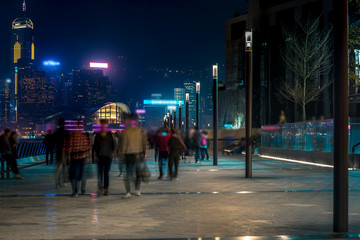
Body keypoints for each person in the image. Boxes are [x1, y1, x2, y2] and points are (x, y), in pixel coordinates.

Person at [121, 114, 147, 199]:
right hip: (129, 154)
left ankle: (136, 189)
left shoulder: (141, 131)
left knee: (138, 173)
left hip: (138, 154)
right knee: (128, 174)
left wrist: (144, 154)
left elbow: (144, 144)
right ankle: (128, 191)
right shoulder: (126, 131)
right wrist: (123, 153)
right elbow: (124, 144)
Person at [65, 121, 91, 197]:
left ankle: (75, 190)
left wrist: (69, 157)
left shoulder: (72, 136)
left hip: (77, 157)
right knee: (77, 174)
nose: (74, 128)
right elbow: (87, 147)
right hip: (79, 157)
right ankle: (76, 189)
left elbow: (69, 147)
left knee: (75, 174)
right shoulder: (80, 136)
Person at [93, 119, 115, 196]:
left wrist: (113, 154)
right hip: (100, 156)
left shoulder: (110, 134)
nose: (103, 126)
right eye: (101, 124)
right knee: (100, 173)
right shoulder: (98, 135)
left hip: (108, 156)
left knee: (106, 173)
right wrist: (95, 156)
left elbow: (113, 145)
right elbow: (95, 146)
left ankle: (106, 189)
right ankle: (100, 188)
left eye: (104, 124)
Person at [54, 119, 69, 187]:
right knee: (64, 166)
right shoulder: (66, 132)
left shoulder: (56, 132)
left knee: (58, 167)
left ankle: (57, 182)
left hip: (58, 150)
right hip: (65, 151)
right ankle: (64, 181)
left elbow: (54, 141)